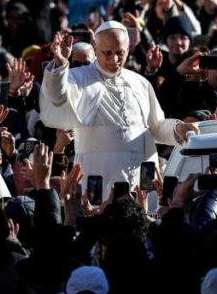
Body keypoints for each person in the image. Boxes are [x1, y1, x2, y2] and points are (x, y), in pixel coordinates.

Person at [40, 20, 199, 196]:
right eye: (107, 53)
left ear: (128, 49)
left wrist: (178, 128)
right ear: (95, 48)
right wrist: (61, 65)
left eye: (120, 53)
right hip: (99, 181)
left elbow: (156, 126)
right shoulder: (78, 77)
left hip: (140, 180)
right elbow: (56, 96)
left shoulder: (139, 82)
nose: (114, 60)